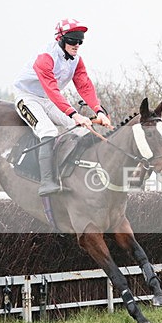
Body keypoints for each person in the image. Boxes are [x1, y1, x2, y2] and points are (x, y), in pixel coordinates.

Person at [14, 18, 113, 196]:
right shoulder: (45, 58)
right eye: (73, 40)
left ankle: (76, 175)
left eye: (80, 41)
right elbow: (52, 90)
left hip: (49, 99)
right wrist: (74, 114)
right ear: (60, 39)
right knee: (48, 131)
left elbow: (84, 86)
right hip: (27, 97)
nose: (77, 45)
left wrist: (99, 111)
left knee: (83, 130)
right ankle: (46, 182)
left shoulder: (77, 60)